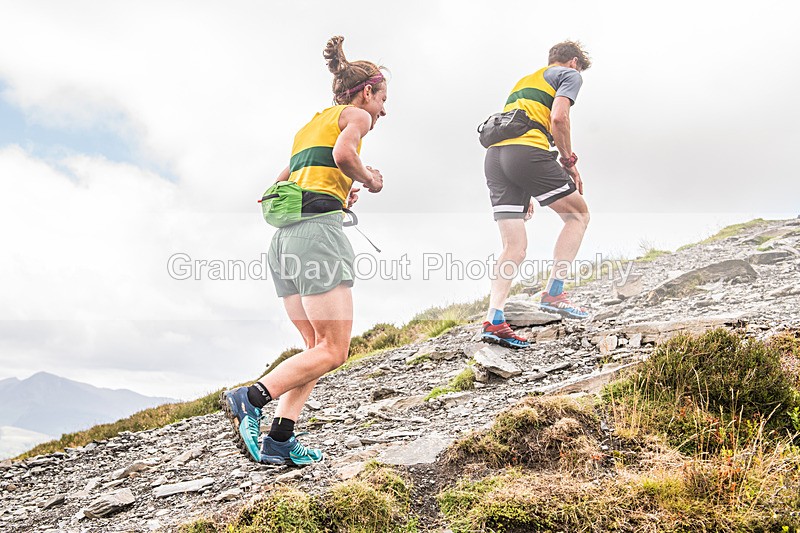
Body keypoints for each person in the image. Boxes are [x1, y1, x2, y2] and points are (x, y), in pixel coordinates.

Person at [221, 36, 387, 464]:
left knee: (314, 343)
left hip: (283, 242)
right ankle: (250, 397)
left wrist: (336, 193)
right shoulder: (357, 118)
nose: (383, 111)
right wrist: (368, 179)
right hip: (317, 237)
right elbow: (344, 152)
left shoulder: (309, 125)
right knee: (334, 349)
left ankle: (280, 437)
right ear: (366, 91)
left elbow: (281, 182)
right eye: (382, 99)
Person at [481, 41, 592, 349]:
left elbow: (514, 124)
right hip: (527, 153)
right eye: (579, 68)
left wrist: (525, 185)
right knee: (578, 215)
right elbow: (558, 118)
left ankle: (494, 319)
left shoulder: (524, 80)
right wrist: (569, 162)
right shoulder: (569, 75)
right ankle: (554, 293)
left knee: (513, 246)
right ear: (573, 62)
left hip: (495, 158)